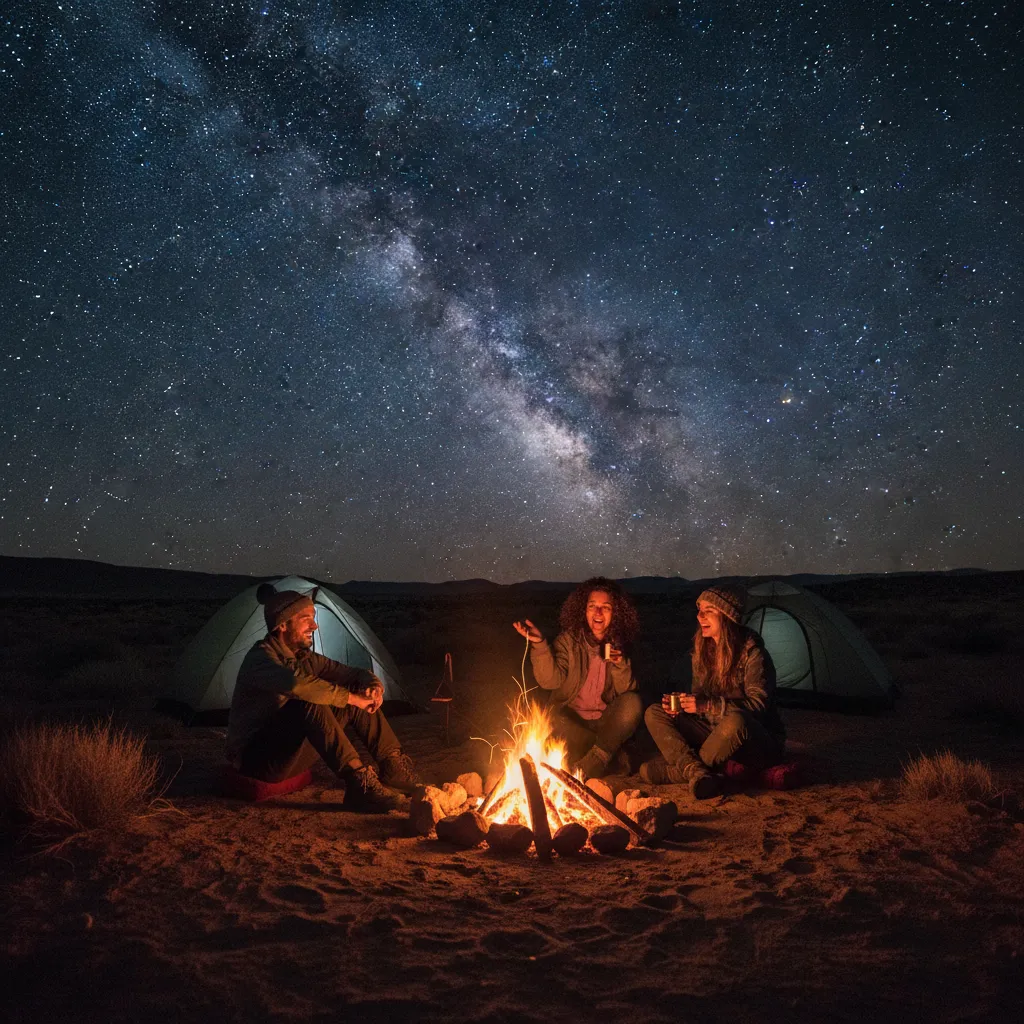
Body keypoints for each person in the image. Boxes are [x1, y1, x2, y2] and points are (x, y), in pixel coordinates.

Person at [226, 584, 421, 812]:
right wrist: (352, 699)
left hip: (292, 757)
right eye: (306, 619)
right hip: (258, 761)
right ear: (282, 624)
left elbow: (352, 673)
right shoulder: (260, 659)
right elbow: (297, 684)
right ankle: (359, 785)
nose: (314, 625)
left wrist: (371, 685)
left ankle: (393, 766)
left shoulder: (305, 658)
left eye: (314, 618)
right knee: (308, 699)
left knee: (352, 688)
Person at [642, 585, 785, 799]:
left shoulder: (753, 654)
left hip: (753, 739)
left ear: (727, 617)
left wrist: (707, 705)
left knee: (736, 720)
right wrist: (685, 707)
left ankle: (683, 771)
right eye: (699, 609)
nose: (700, 616)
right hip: (714, 733)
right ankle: (696, 771)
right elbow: (701, 702)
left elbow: (758, 706)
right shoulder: (703, 651)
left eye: (708, 610)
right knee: (654, 712)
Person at [513, 576, 643, 780]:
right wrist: (539, 644)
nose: (598, 613)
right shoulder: (568, 641)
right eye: (593, 606)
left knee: (633, 702)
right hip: (572, 723)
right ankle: (606, 754)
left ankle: (595, 759)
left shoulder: (620, 644)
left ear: (615, 613)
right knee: (551, 720)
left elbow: (626, 694)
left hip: (604, 722)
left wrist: (620, 663)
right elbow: (550, 681)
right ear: (584, 610)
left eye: (606, 607)